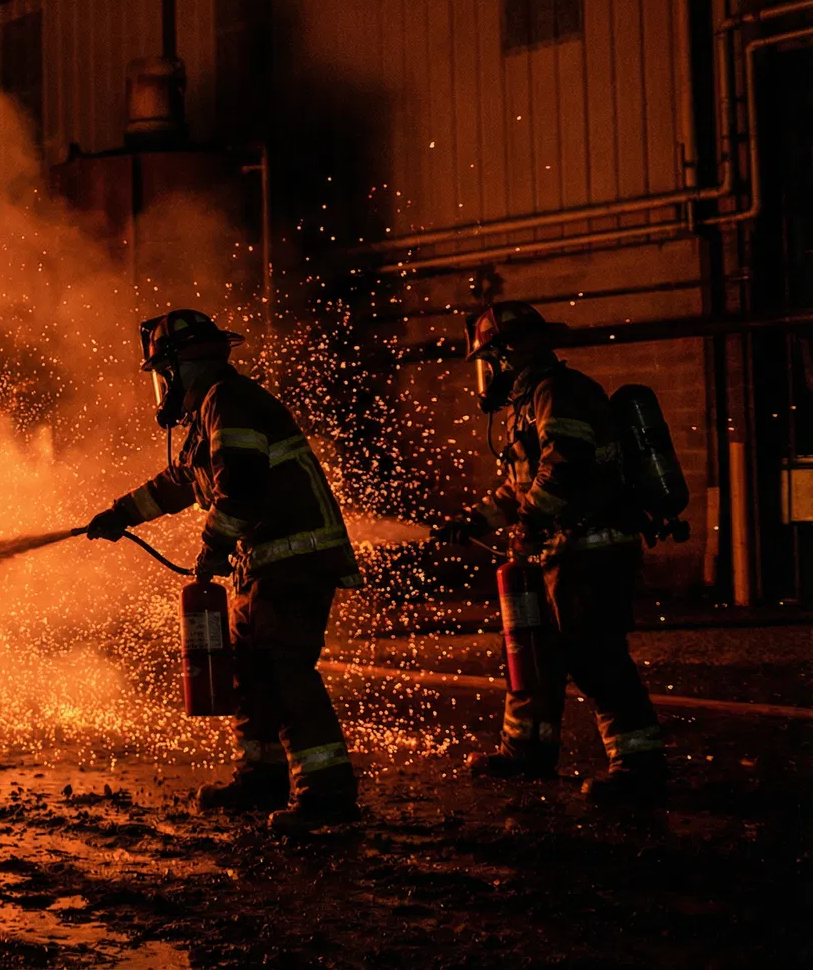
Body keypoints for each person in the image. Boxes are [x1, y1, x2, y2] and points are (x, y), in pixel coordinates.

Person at [85, 309, 365, 835]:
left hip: (292, 562)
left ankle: (327, 794)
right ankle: (261, 777)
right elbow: (180, 481)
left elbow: (241, 490)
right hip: (265, 565)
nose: (162, 386)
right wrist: (120, 513)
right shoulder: (216, 409)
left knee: (284, 672)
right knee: (253, 674)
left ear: (180, 366)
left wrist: (213, 546)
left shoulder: (229, 404)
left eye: (162, 373)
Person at [432, 301, 665, 804]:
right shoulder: (529, 400)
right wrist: (475, 520)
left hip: (592, 549)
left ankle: (639, 766)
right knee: (535, 655)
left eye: (488, 358)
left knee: (595, 654)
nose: (486, 370)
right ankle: (527, 753)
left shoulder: (560, 391)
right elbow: (518, 486)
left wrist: (531, 522)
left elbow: (564, 465)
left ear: (509, 352)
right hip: (560, 551)